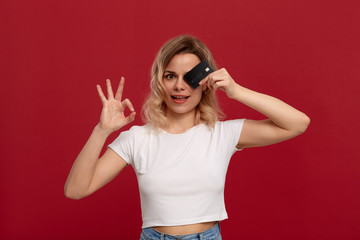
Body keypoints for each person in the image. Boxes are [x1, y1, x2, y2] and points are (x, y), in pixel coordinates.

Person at [64, 35, 310, 240]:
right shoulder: (137, 138)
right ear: (160, 82)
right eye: (170, 76)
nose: (180, 86)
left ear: (204, 82)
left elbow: (298, 124)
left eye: (189, 77)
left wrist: (236, 91)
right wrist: (101, 130)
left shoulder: (223, 133)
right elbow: (75, 190)